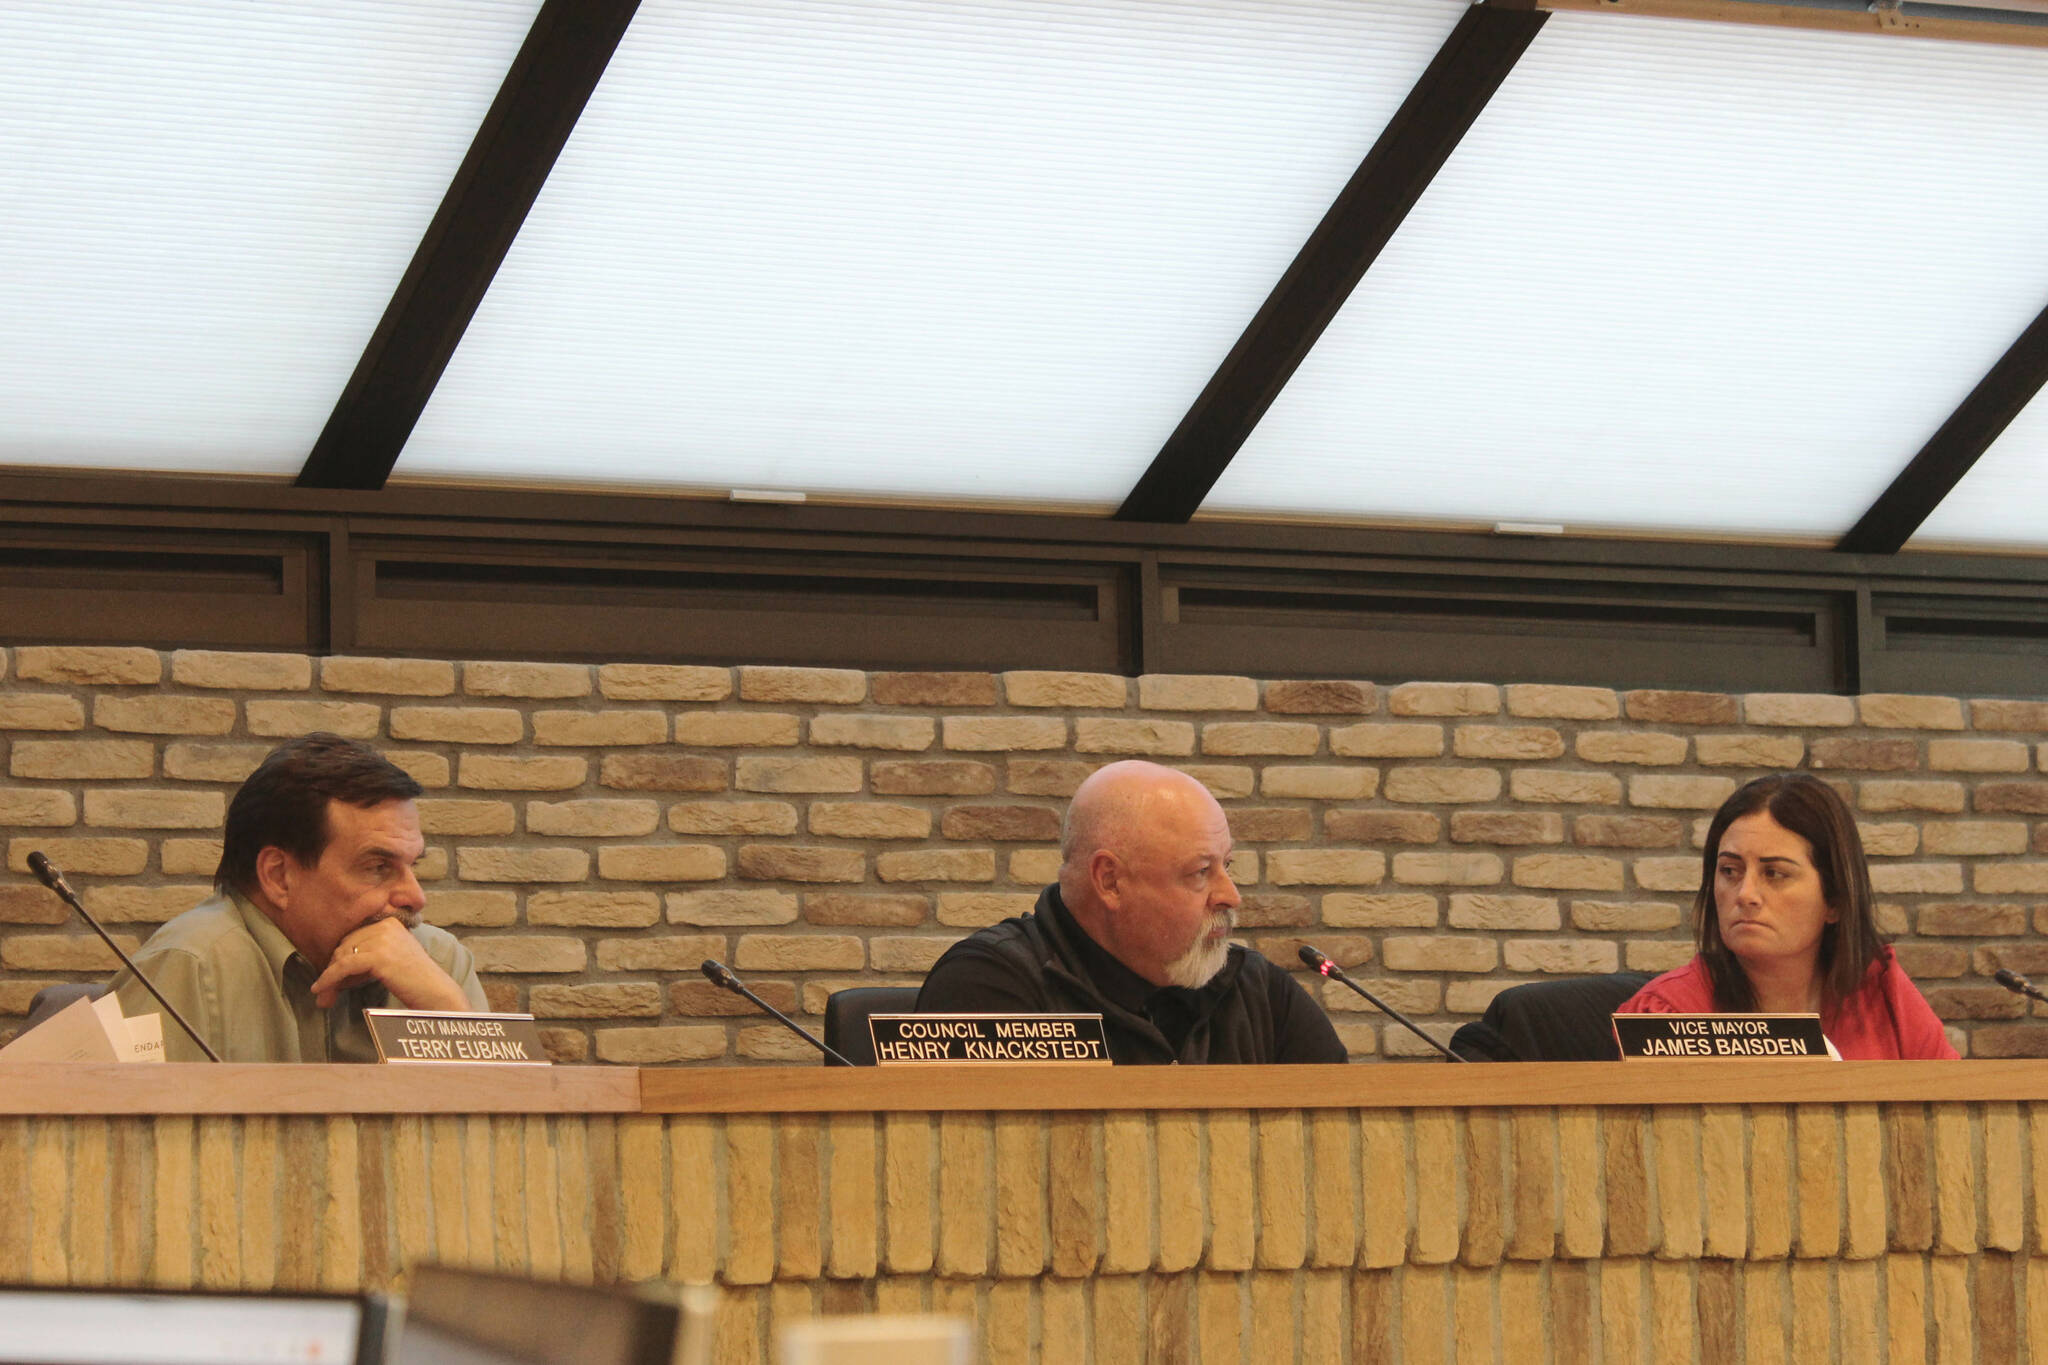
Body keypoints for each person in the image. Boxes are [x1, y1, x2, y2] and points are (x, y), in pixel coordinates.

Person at [916, 759, 1346, 1064]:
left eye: (1226, 866)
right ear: (1110, 881)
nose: (1230, 895)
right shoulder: (989, 987)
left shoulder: (1259, 993)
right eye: (1200, 871)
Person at [112, 733, 486, 1062]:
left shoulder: (437, 961)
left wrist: (447, 1011)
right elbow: (124, 1140)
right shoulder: (189, 967)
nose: (415, 897)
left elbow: (512, 1132)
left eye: (412, 866)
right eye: (377, 868)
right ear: (279, 876)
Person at [1615, 772, 1956, 1059]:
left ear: (1834, 900)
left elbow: (1950, 1112)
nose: (1746, 894)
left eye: (1774, 874)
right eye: (1730, 871)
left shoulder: (1882, 992)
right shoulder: (1665, 1015)